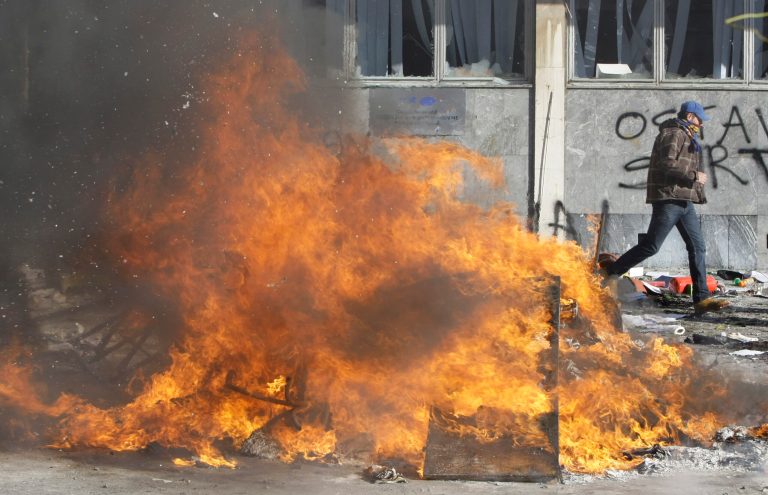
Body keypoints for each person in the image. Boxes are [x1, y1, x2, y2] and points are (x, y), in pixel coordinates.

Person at [601, 101, 729, 315]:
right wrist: (694, 176)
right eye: (699, 120)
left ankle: (701, 300)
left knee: (698, 247)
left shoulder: (687, 136)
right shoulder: (673, 134)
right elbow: (666, 164)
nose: (701, 125)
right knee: (651, 246)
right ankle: (610, 272)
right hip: (669, 198)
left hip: (684, 200)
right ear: (689, 117)